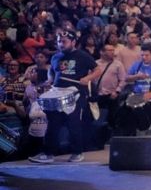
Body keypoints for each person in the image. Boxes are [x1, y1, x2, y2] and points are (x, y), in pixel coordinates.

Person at [29, 31, 102, 163]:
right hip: (57, 92)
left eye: (64, 41)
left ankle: (77, 152)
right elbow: (52, 73)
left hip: (75, 92)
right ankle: (48, 153)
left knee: (73, 122)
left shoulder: (83, 56)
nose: (60, 44)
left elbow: (98, 69)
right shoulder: (56, 57)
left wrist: (88, 78)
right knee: (52, 123)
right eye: (59, 41)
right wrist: (49, 82)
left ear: (73, 42)